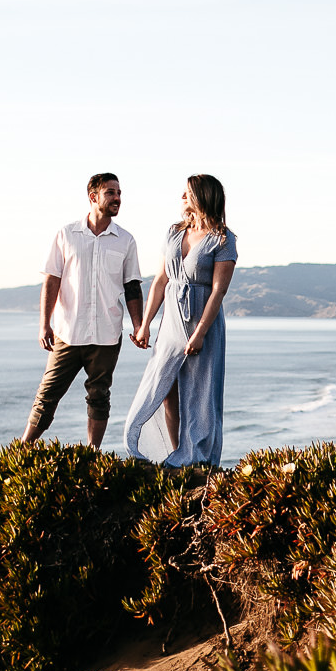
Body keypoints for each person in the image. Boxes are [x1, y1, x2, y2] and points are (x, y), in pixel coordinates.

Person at [123, 174, 237, 466]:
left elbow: (218, 291)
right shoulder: (174, 232)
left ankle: (194, 457)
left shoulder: (223, 239)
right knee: (162, 386)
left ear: (202, 196)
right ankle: (171, 451)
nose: (182, 197)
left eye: (187, 193)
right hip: (172, 319)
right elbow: (161, 279)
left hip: (204, 321)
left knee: (200, 391)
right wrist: (145, 323)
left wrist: (200, 332)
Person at [24, 173, 144, 449]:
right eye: (111, 193)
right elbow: (51, 279)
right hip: (68, 332)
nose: (117, 198)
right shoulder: (66, 234)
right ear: (93, 197)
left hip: (106, 333)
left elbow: (132, 286)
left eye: (119, 193)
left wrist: (139, 326)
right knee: (47, 394)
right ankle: (22, 450)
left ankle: (93, 453)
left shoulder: (125, 240)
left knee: (100, 396)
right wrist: (44, 324)